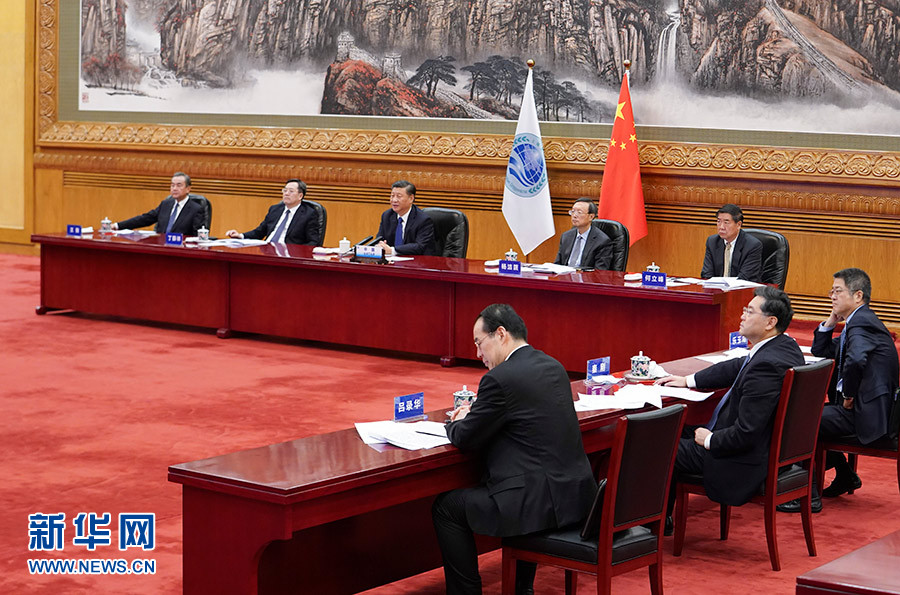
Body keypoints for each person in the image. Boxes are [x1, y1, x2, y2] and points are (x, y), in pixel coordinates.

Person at [432, 304, 596, 595]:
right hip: (574, 497)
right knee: (521, 480)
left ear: (501, 334)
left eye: (479, 343)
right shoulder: (554, 366)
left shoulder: (499, 379)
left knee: (447, 507)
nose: (478, 353)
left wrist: (457, 421)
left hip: (532, 504)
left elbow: (466, 438)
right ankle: (523, 588)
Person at [658, 286, 804, 521]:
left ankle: (649, 525)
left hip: (736, 459)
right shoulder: (783, 347)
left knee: (655, 447)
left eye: (750, 311)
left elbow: (746, 432)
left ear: (770, 322)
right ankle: (662, 519)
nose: (742, 316)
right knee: (666, 432)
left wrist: (710, 440)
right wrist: (688, 380)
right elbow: (738, 366)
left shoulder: (765, 367)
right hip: (754, 447)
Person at [778, 268, 899, 513]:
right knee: (813, 415)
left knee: (800, 420)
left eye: (838, 291)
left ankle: (808, 496)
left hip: (867, 414)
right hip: (867, 408)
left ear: (858, 295)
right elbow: (823, 350)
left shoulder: (862, 324)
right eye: (831, 291)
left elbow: (855, 361)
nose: (832, 296)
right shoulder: (859, 321)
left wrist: (848, 395)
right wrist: (830, 322)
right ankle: (845, 475)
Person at [225, 179, 320, 245]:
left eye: (291, 191)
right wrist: (240, 236)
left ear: (300, 196)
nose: (286, 194)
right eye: (285, 190)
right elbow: (260, 232)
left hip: (288, 255)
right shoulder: (275, 209)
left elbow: (313, 242)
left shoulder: (309, 214)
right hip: (267, 250)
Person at [112, 172, 207, 236]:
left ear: (188, 189)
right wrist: (117, 226)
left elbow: (197, 237)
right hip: (161, 247)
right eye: (172, 185)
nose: (174, 188)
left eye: (179, 185)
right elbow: (145, 219)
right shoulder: (166, 204)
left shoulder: (196, 209)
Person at [700, 203, 762, 281]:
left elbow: (745, 278)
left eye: (726, 222)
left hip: (741, 288)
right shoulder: (712, 242)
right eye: (719, 221)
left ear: (738, 225)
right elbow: (706, 274)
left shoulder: (752, 245)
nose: (721, 227)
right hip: (716, 287)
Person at [376, 180, 436, 256]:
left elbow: (419, 246)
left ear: (411, 198)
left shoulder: (423, 220)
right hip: (391, 260)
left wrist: (392, 250)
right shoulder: (387, 215)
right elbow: (380, 238)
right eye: (392, 196)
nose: (394, 200)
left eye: (399, 196)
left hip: (416, 260)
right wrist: (381, 245)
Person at [553, 197, 613, 270]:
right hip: (565, 275)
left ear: (591, 216)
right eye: (573, 211)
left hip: (584, 276)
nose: (574, 215)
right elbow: (557, 265)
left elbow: (599, 272)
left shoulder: (602, 241)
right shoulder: (566, 236)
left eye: (579, 212)